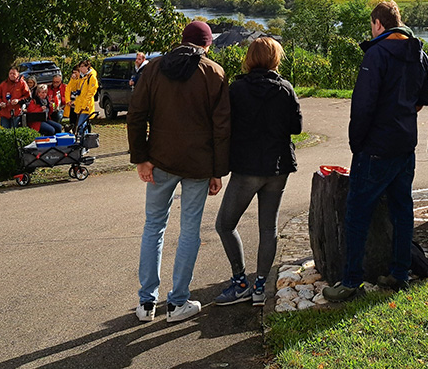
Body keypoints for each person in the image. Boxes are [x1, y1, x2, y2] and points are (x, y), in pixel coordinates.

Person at [324, 1, 428, 302]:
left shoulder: (376, 53)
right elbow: (427, 96)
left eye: (372, 25)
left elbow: (363, 106)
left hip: (375, 146)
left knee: (357, 213)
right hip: (404, 143)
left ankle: (351, 281)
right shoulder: (418, 52)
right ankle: (399, 273)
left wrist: (357, 143)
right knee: (402, 210)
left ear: (378, 24)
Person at [128, 21, 230, 324]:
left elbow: (136, 116)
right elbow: (222, 127)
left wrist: (141, 158)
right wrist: (218, 170)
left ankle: (147, 303)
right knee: (189, 232)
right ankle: (178, 303)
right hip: (198, 164)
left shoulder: (154, 68)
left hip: (159, 160)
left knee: (153, 227)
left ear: (182, 40)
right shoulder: (214, 73)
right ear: (207, 44)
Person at [213, 37, 303, 306]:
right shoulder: (285, 88)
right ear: (276, 58)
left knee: (225, 224)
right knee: (268, 228)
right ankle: (260, 286)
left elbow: (225, 125)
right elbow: (296, 127)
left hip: (247, 167)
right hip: (278, 167)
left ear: (250, 58)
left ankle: (240, 282)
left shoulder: (237, 89)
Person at [67, 60, 98, 133]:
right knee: (82, 126)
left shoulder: (91, 78)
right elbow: (74, 88)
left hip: (86, 106)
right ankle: (84, 141)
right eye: (80, 67)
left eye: (82, 67)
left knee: (81, 126)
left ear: (87, 67)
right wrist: (73, 80)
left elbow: (91, 93)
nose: (81, 69)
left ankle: (84, 140)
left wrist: (85, 105)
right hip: (79, 105)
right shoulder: (81, 77)